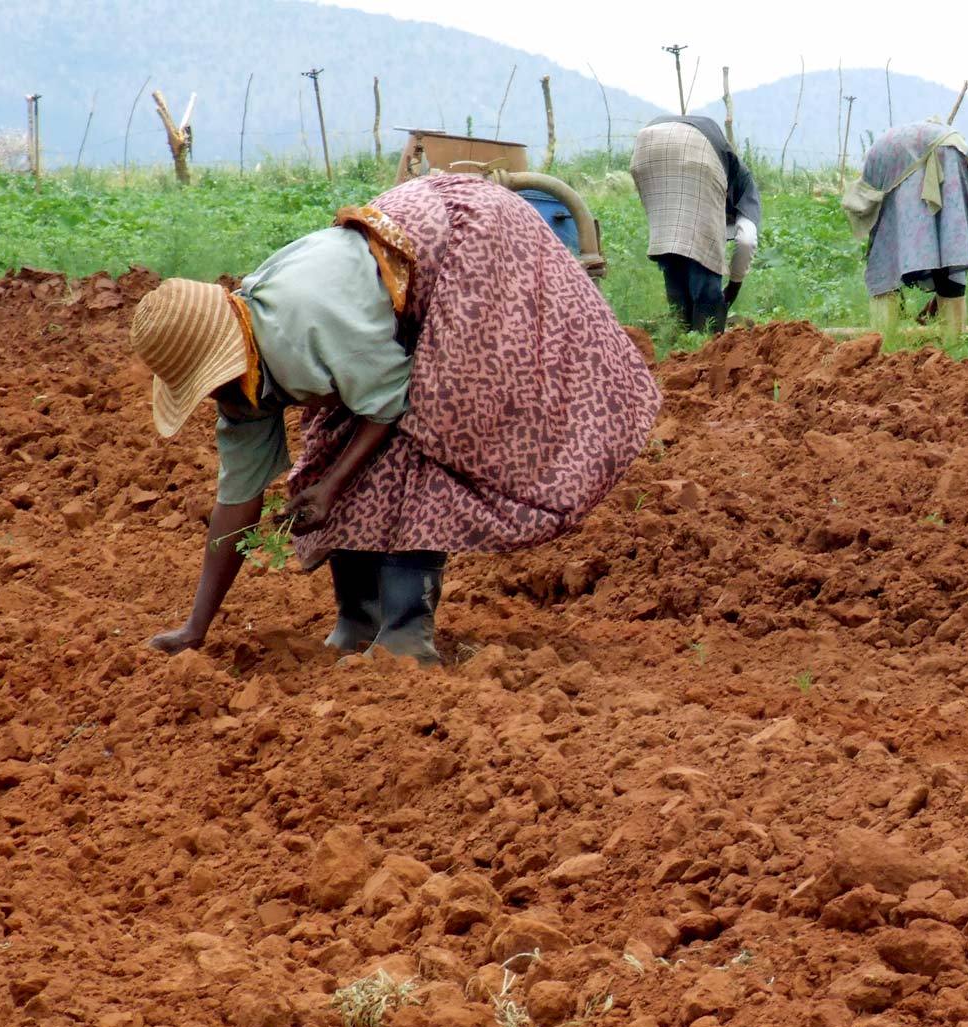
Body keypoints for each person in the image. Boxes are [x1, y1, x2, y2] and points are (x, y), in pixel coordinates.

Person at [131, 172, 661, 663]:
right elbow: (235, 502)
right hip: (398, 288)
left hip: (470, 245)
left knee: (431, 428)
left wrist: (333, 489)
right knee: (335, 445)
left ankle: (407, 631)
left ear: (223, 357)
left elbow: (390, 402)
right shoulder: (242, 385)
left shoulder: (303, 327)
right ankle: (359, 618)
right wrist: (195, 629)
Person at [842, 120, 968, 336]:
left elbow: (885, 261)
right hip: (953, 150)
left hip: (922, 153)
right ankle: (953, 341)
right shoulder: (885, 163)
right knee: (948, 248)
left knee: (885, 261)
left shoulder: (874, 176)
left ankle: (885, 341)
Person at [630, 114, 760, 334]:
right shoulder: (745, 189)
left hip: (646, 146)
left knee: (672, 245)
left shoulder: (729, 168)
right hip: (696, 151)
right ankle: (704, 343)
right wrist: (732, 291)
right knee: (706, 272)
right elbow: (746, 241)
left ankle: (680, 335)